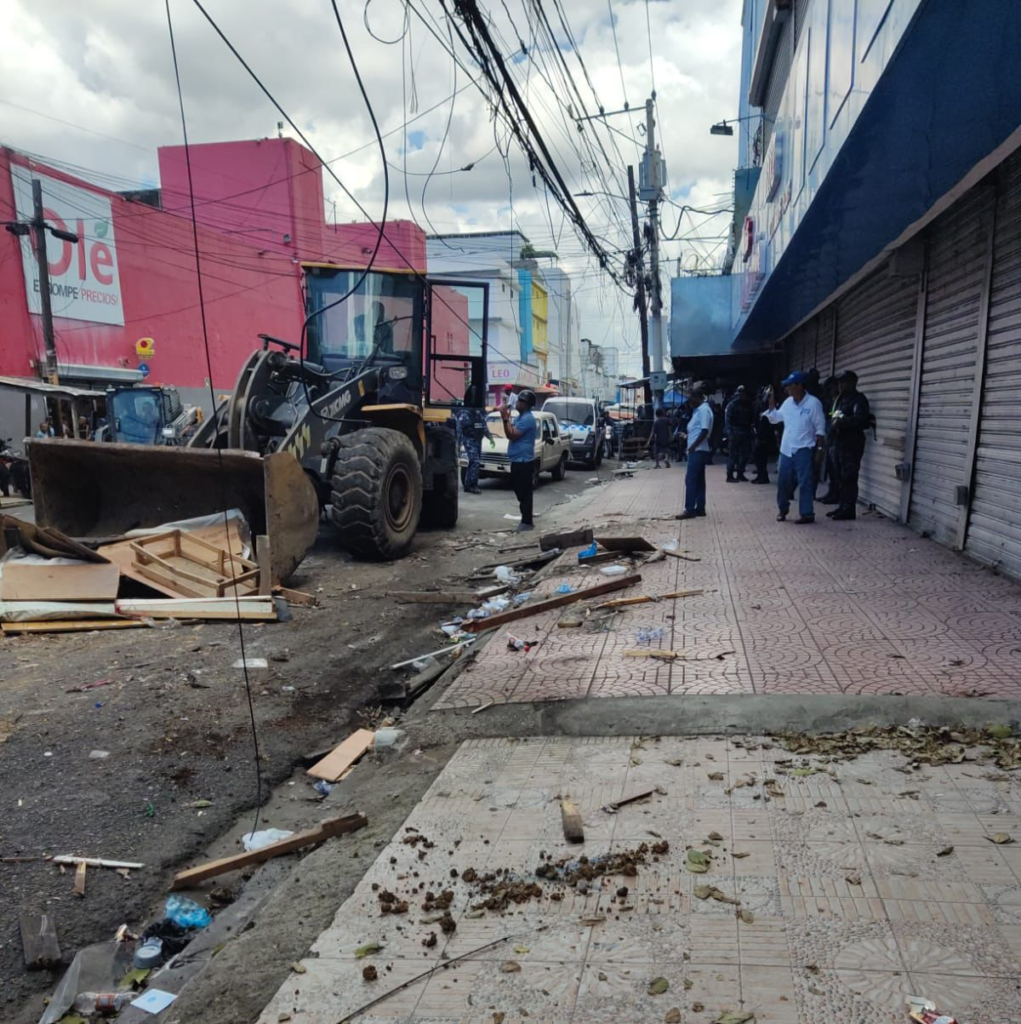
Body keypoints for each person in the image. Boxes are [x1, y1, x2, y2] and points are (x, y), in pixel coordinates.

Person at [763, 371, 827, 524]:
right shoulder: (788, 403)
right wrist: (771, 401)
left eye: (789, 385)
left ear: (799, 386)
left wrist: (819, 450)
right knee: (783, 481)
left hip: (804, 449)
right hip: (786, 449)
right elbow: (775, 418)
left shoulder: (813, 403)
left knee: (805, 482)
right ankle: (782, 509)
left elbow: (820, 428)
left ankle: (807, 513)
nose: (787, 389)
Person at [825, 370, 871, 521]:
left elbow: (861, 420)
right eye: (839, 383)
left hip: (852, 444)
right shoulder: (841, 400)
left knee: (849, 477)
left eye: (843, 382)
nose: (840, 385)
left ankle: (849, 509)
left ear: (852, 383)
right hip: (839, 443)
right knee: (839, 476)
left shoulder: (859, 400)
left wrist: (842, 422)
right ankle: (842, 506)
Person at [501, 389, 538, 532]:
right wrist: (507, 419)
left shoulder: (527, 419)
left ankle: (527, 521)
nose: (517, 403)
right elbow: (510, 430)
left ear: (526, 404)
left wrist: (505, 418)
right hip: (518, 460)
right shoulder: (520, 418)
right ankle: (526, 519)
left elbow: (511, 434)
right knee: (520, 490)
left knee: (524, 492)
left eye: (520, 401)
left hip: (523, 461)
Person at [676, 388, 713, 520]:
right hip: (698, 450)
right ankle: (700, 508)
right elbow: (698, 431)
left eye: (691, 398)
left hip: (698, 451)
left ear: (697, 397)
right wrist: (687, 436)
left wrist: (692, 446)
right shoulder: (699, 410)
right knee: (699, 480)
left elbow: (704, 431)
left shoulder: (703, 410)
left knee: (690, 479)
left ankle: (689, 509)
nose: (689, 401)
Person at [454, 404, 495, 494]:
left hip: (478, 441)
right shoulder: (465, 415)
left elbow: (484, 428)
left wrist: (491, 438)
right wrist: (458, 443)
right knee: (475, 462)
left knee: (475, 463)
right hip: (470, 441)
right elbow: (459, 429)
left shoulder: (479, 415)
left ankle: (471, 484)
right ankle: (471, 485)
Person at [724, 385, 754, 482]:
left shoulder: (748, 405)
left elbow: (751, 420)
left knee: (745, 455)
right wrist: (730, 434)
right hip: (734, 432)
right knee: (733, 455)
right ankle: (730, 475)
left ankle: (740, 473)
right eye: (741, 394)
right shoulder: (732, 405)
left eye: (744, 394)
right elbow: (727, 421)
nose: (743, 396)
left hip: (745, 432)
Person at [751, 386, 774, 483]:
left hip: (763, 436)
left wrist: (759, 437)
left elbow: (764, 423)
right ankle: (761, 475)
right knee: (758, 457)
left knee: (760, 457)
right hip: (759, 434)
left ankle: (763, 477)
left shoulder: (765, 407)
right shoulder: (760, 406)